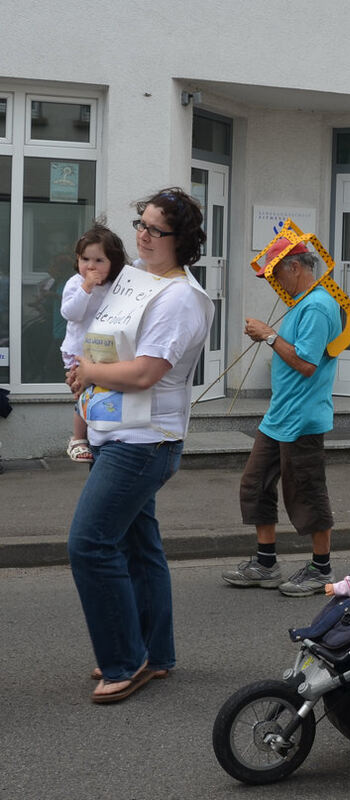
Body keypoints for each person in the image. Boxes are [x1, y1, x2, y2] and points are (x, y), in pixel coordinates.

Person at [66, 187, 213, 704]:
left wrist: (89, 372)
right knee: (137, 545)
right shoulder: (136, 278)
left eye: (156, 230)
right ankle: (155, 653)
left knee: (89, 544)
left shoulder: (180, 298)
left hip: (145, 440)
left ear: (183, 241)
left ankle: (123, 662)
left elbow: (148, 371)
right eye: (141, 224)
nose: (143, 236)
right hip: (114, 430)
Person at [222, 237, 343, 597]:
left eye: (276, 274)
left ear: (295, 267)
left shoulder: (319, 306)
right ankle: (266, 563)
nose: (275, 283)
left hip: (303, 419)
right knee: (254, 484)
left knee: (306, 492)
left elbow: (307, 364)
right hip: (279, 415)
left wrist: (270, 335)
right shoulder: (302, 303)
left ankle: (321, 569)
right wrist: (272, 336)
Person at [61, 223, 128, 463]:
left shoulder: (115, 287)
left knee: (102, 393)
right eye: (85, 259)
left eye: (99, 260)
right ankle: (78, 438)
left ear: (113, 263)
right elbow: (70, 313)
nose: (90, 266)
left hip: (105, 352)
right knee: (82, 392)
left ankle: (100, 433)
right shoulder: (74, 284)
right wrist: (86, 287)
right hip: (78, 351)